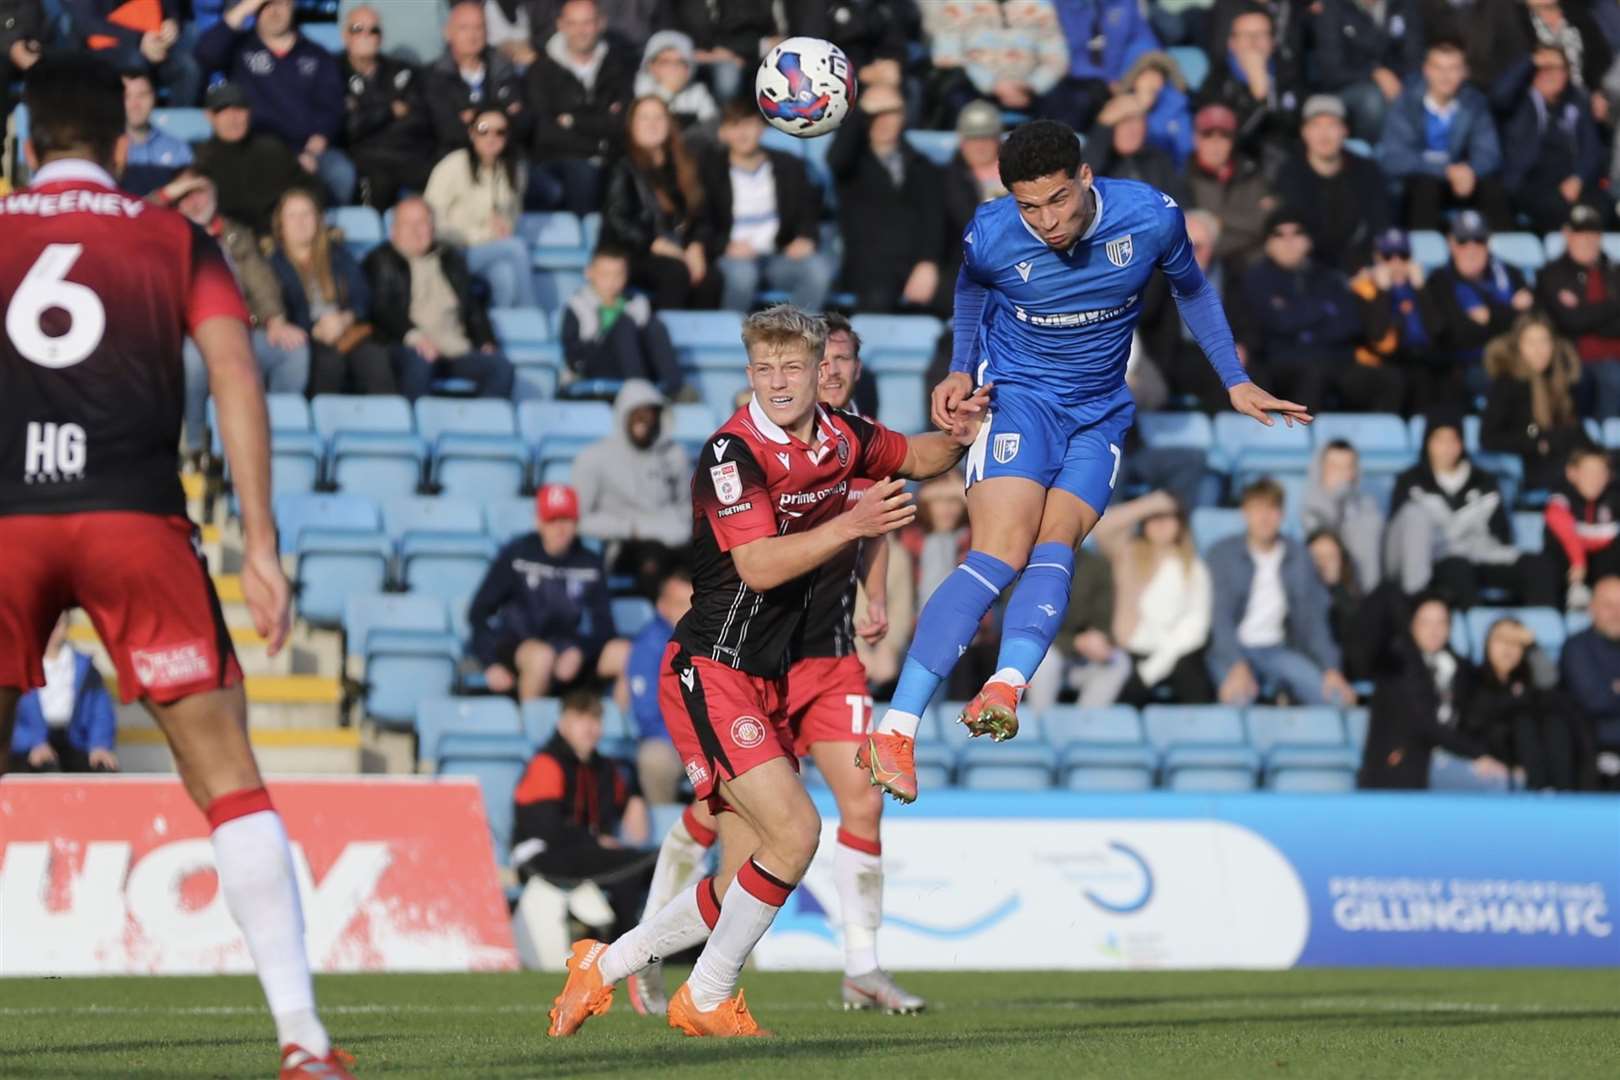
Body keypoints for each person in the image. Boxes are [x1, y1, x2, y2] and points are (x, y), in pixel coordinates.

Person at [0, 56, 347, 1079]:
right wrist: (265, 544)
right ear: (120, 145)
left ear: (26, 146)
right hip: (132, 516)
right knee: (227, 778)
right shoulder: (171, 235)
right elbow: (237, 375)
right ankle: (303, 1038)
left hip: (5, 518)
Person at [547, 305, 983, 1038]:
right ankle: (708, 993)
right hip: (712, 670)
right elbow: (755, 563)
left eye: (791, 368)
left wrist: (966, 435)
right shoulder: (732, 453)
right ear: (749, 374)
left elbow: (915, 455)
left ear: (822, 372)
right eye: (763, 369)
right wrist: (850, 523)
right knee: (797, 830)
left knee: (748, 866)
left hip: (771, 677)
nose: (777, 383)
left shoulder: (845, 438)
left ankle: (608, 965)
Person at [862, 118, 1306, 805]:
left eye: (1058, 200)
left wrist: (1232, 380)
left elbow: (1192, 289)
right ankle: (896, 727)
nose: (1045, 220)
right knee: (1001, 551)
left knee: (1058, 540)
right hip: (1020, 401)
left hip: (1100, 411)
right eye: (1029, 206)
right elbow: (972, 288)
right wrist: (957, 368)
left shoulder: (1151, 218)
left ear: (1086, 180)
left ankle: (1006, 687)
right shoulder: (992, 230)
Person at [154, 169, 310, 455]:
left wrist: (276, 320)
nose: (195, 202)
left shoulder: (236, 234)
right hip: (191, 336)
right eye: (186, 195)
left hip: (241, 331)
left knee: (293, 352)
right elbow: (130, 218)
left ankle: (273, 441)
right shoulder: (164, 231)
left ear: (214, 195)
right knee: (193, 359)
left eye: (200, 192)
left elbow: (260, 280)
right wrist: (169, 192)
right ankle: (194, 447)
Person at [511, 690, 653, 936]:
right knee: (632, 866)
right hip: (540, 854)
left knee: (643, 864)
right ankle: (626, 945)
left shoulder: (605, 768)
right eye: (580, 719)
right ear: (562, 724)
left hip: (587, 853)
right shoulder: (546, 764)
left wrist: (635, 798)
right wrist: (594, 841)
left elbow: (625, 802)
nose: (589, 727)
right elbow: (546, 828)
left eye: (595, 720)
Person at [470, 484, 629, 701]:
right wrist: (491, 663)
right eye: (552, 520)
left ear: (577, 523)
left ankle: (621, 730)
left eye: (566, 520)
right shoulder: (517, 555)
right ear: (538, 522)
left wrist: (580, 651)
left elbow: (605, 627)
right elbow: (478, 612)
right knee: (541, 657)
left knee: (627, 654)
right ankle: (532, 728)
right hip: (523, 649)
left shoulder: (590, 563)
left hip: (571, 652)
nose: (559, 529)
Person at [1205, 479, 1356, 707]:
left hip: (1278, 650)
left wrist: (1331, 669)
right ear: (1245, 513)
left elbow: (1313, 620)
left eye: (1272, 509)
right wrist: (1236, 664)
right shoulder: (1221, 555)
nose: (1264, 517)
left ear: (1282, 514)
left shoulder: (1298, 556)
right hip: (1232, 650)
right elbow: (1219, 618)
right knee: (1238, 700)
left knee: (1335, 699)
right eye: (1257, 509)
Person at [1239, 207, 1404, 413]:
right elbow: (1274, 323)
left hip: (1334, 359)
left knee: (1389, 380)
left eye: (1297, 233)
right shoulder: (1255, 279)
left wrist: (1295, 315)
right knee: (1312, 373)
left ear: (1309, 240)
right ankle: (1303, 440)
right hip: (1280, 363)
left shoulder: (1328, 277)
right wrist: (1323, 309)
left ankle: (1375, 443)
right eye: (1279, 234)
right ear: (1268, 243)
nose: (1289, 241)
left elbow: (1349, 325)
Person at [1385, 414, 1559, 608]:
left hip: (1481, 553)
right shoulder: (1410, 480)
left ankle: (1540, 628)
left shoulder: (1484, 480)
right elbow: (1402, 533)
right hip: (1437, 560)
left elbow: (1502, 533)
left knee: (1539, 566)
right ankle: (1474, 628)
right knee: (1457, 569)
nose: (1447, 447)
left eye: (1453, 439)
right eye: (1439, 440)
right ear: (1428, 443)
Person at [196, 0, 355, 206]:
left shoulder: (317, 55)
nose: (274, 10)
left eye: (281, 2)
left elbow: (331, 108)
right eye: (266, 4)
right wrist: (246, 7)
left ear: (293, 6)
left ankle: (324, 233)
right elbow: (205, 54)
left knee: (340, 171)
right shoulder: (239, 49)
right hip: (250, 149)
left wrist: (314, 151)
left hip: (304, 149)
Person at [363, 197, 516, 400]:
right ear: (394, 230)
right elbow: (380, 309)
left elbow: (472, 308)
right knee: (419, 362)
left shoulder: (451, 259)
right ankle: (418, 426)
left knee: (500, 367)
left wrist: (486, 341)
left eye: (423, 223)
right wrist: (415, 337)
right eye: (409, 224)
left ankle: (480, 424)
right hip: (407, 348)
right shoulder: (379, 260)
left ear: (433, 228)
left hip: (455, 350)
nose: (417, 231)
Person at [702, 99, 832, 315]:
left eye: (749, 125)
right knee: (743, 276)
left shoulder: (788, 165)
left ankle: (794, 338)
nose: (742, 133)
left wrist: (806, 237)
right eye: (735, 126)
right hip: (732, 256)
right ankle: (735, 342)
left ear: (762, 128)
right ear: (723, 133)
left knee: (818, 270)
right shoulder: (709, 170)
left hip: (778, 256)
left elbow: (809, 210)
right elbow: (701, 220)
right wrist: (724, 246)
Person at [828, 82, 947, 315]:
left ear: (902, 116)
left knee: (964, 298)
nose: (883, 120)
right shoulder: (851, 167)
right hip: (869, 267)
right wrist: (860, 108)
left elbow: (935, 219)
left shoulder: (923, 166)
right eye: (874, 114)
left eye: (890, 112)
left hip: (916, 262)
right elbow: (837, 159)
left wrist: (928, 263)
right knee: (877, 299)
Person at [1359, 594, 1501, 789]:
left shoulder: (1458, 668)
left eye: (1441, 623)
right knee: (1495, 783)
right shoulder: (1396, 665)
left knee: (1505, 777)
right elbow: (1426, 725)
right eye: (1425, 623)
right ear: (1411, 625)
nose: (1434, 631)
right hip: (1407, 764)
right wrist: (1477, 754)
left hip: (1449, 757)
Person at [268, 188, 397, 397]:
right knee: (328, 362)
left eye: (307, 214)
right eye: (292, 216)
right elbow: (278, 308)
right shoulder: (273, 264)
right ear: (281, 224)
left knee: (375, 357)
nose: (300, 222)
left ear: (318, 219)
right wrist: (314, 330)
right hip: (306, 337)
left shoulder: (338, 254)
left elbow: (362, 295)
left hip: (346, 330)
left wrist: (346, 318)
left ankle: (385, 425)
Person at [1091, 491, 1214, 706]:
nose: (1160, 524)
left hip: (1177, 652)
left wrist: (1159, 663)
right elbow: (1101, 529)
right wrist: (1148, 504)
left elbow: (1197, 623)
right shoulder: (1128, 554)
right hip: (1133, 651)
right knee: (1123, 701)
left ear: (1180, 524)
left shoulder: (1194, 568)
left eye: (1167, 517)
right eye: (1153, 517)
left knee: (1199, 694)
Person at [1377, 39, 1513, 231]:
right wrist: (1445, 170)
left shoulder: (1475, 104)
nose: (1445, 76)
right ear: (1426, 70)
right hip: (1420, 181)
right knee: (1426, 188)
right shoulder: (1406, 104)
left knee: (1493, 189)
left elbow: (1489, 152)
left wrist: (1470, 171)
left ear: (1464, 72)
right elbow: (1394, 158)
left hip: (1463, 180)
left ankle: (1505, 253)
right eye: (1438, 68)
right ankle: (1425, 253)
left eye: (1453, 68)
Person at [571, 379, 692, 589]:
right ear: (623, 414)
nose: (644, 418)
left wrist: (677, 526)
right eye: (637, 411)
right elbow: (578, 520)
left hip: (674, 538)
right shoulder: (594, 457)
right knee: (653, 560)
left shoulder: (675, 455)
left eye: (650, 411)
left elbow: (687, 506)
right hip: (624, 544)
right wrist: (632, 528)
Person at [601, 95, 718, 309]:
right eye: (644, 118)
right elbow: (618, 219)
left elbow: (702, 215)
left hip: (678, 249)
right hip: (634, 251)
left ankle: (700, 337)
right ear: (632, 125)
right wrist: (655, 244)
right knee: (674, 273)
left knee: (709, 278)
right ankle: (666, 335)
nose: (652, 125)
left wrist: (696, 246)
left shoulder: (686, 165)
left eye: (659, 118)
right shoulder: (621, 164)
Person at [526, 0, 637, 214]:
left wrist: (572, 120)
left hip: (615, 158)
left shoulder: (622, 66)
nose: (581, 31)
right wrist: (599, 141)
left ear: (601, 23)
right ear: (561, 25)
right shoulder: (540, 72)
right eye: (573, 23)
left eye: (587, 23)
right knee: (583, 172)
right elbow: (546, 133)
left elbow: (624, 122)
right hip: (560, 161)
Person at [424, 108, 538, 309]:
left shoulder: (515, 170)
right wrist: (480, 235)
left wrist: (505, 227)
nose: (491, 137)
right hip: (454, 250)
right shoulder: (453, 165)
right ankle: (531, 314)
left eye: (500, 131)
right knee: (517, 247)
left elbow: (514, 214)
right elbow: (431, 220)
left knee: (506, 277)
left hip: (491, 249)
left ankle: (503, 333)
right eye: (483, 129)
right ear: (472, 133)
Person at [1420, 209, 1535, 401]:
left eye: (1479, 240)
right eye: (1463, 241)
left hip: (1513, 359)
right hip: (1463, 367)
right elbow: (1457, 334)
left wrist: (1489, 317)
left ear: (1488, 242)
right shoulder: (1439, 281)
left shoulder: (1510, 273)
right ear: (1451, 244)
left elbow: (1529, 322)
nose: (1471, 248)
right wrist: (1510, 311)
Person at [1272, 94, 1391, 274]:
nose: (1324, 134)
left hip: (1360, 266)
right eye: (1316, 125)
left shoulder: (1367, 171)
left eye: (1332, 125)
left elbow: (1379, 223)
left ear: (1345, 131)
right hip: (1308, 268)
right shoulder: (1289, 174)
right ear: (1304, 132)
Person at [1480, 312, 1590, 493]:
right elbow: (1489, 438)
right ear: (1518, 346)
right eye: (1530, 343)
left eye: (1544, 342)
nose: (1539, 350)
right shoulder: (1505, 384)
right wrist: (1537, 442)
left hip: (1567, 458)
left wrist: (1596, 456)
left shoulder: (1559, 379)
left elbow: (1573, 429)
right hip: (1532, 467)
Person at [340, 5, 437, 209]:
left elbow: (420, 120)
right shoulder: (332, 70)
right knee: (376, 178)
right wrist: (389, 110)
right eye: (358, 28)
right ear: (345, 36)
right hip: (363, 160)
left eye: (373, 30)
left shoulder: (403, 72)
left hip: (405, 154)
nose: (366, 35)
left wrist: (366, 114)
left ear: (381, 37)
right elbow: (346, 127)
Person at [1470, 617, 1581, 790]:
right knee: (1523, 723)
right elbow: (1474, 725)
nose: (1507, 647)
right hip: (1492, 754)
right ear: (1487, 644)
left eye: (1515, 642)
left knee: (1555, 722)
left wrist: (1533, 645)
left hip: (1536, 762)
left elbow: (1551, 685)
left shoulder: (1528, 683)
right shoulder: (1472, 678)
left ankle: (1561, 798)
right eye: (1501, 639)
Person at [1500, 47, 1602, 235]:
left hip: (1569, 180)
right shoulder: (1519, 99)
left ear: (1566, 73)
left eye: (1556, 69)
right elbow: (1499, 96)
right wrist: (1530, 62)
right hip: (1528, 181)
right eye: (1544, 67)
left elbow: (1592, 148)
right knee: (1559, 210)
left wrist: (1578, 178)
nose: (1550, 75)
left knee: (1604, 208)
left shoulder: (1577, 100)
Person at [1535, 203, 1620, 419]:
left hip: (1614, 354)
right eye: (1581, 233)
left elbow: (1581, 318)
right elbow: (1570, 321)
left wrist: (1586, 314)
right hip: (1573, 357)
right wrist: (1612, 306)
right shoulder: (1552, 273)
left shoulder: (1614, 271)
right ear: (1567, 235)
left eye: (1593, 234)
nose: (1587, 240)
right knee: (1609, 376)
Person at [1196, 5, 1302, 177]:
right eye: (1246, 35)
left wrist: (1270, 96)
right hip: (1237, 174)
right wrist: (1258, 99)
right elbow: (1224, 141)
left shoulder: (1288, 75)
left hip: (1284, 169)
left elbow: (1294, 130)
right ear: (1232, 43)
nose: (1253, 42)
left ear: (1272, 42)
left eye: (1260, 34)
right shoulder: (1216, 81)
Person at [191, 82, 309, 237]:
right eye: (223, 111)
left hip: (276, 240)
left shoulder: (273, 151)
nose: (232, 118)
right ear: (209, 116)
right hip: (222, 242)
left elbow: (310, 189)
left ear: (250, 112)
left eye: (239, 109)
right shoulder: (199, 159)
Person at [561, 245, 682, 394]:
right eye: (605, 275)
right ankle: (638, 392)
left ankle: (674, 389)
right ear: (589, 273)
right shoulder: (577, 305)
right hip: (594, 364)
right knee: (624, 324)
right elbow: (573, 354)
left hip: (635, 363)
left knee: (655, 326)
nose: (612, 281)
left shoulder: (637, 303)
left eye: (618, 275)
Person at [10, 614, 117, 773]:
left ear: (67, 626)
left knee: (105, 770)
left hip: (74, 740)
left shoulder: (85, 667)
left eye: (57, 624)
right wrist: (33, 743)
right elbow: (9, 714)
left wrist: (99, 745)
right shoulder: (19, 665)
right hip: (30, 746)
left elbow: (100, 711)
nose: (51, 630)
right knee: (44, 771)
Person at [425, 0, 529, 160]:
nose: (472, 35)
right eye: (464, 28)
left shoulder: (504, 70)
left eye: (479, 28)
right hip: (455, 161)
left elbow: (523, 121)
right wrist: (499, 117)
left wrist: (473, 118)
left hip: (507, 159)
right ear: (448, 32)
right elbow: (446, 130)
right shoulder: (434, 77)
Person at [1349, 227, 1436, 412]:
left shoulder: (1419, 288)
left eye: (1403, 256)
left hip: (1415, 363)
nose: (1396, 263)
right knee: (1393, 379)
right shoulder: (1363, 289)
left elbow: (1436, 333)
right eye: (1388, 256)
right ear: (1377, 258)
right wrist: (1383, 293)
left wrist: (1422, 292)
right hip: (1375, 366)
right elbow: (1377, 337)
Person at [625, 568, 692, 804]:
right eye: (681, 603)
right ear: (663, 606)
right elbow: (648, 713)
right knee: (655, 760)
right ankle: (668, 832)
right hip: (670, 739)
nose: (690, 611)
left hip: (711, 736)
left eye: (694, 603)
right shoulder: (650, 645)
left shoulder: (711, 638)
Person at [1311, 0, 1422, 142]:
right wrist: (1374, 73)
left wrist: (1395, 79)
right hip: (1347, 88)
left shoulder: (1403, 5)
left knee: (1421, 90)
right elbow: (1331, 70)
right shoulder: (1334, 7)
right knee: (1373, 101)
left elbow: (1414, 57)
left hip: (1399, 81)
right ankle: (1371, 155)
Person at [1185, 102, 1274, 272]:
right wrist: (1246, 227)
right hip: (1207, 267)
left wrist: (1218, 219)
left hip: (1252, 265)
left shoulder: (1250, 173)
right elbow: (1198, 240)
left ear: (1232, 141)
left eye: (1224, 135)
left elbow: (1263, 224)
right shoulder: (1185, 178)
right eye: (1208, 134)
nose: (1216, 143)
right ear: (1195, 139)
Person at [64, 0, 199, 107]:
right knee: (135, 61)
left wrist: (172, 22)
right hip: (106, 50)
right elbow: (87, 23)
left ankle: (172, 131)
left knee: (188, 69)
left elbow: (171, 9)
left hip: (153, 43)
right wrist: (139, 39)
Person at [1302, 439, 1383, 592]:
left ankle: (1370, 597)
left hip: (1362, 579)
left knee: (1368, 524)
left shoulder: (1365, 501)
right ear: (1322, 469)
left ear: (1354, 472)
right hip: (1324, 583)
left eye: (1347, 467)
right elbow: (1322, 538)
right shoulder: (1311, 500)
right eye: (1335, 467)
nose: (1341, 474)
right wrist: (1337, 499)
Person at [1545, 446, 1620, 611]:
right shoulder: (1560, 499)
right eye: (1589, 472)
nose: (1595, 479)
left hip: (1605, 570)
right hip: (1569, 571)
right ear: (1572, 473)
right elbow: (1566, 533)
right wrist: (1579, 562)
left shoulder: (1613, 499)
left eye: (1601, 473)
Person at [1562, 574, 1620, 776]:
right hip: (1595, 746)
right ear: (1591, 609)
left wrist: (1613, 688)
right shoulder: (1577, 647)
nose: (1617, 613)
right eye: (1608, 606)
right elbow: (1594, 700)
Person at [1087, 95, 1185, 204]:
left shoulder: (1158, 161)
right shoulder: (1100, 161)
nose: (1133, 129)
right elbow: (1085, 180)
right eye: (1125, 121)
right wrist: (1102, 127)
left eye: (1139, 121)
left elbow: (1180, 203)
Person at [121, 70, 192, 196]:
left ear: (154, 98)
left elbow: (188, 193)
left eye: (142, 95)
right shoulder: (106, 148)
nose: (135, 104)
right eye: (127, 96)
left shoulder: (177, 148)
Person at [633, 29, 717, 132]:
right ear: (651, 66)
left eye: (680, 62)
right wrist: (669, 90)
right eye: (665, 61)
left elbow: (711, 128)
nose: (673, 67)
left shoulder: (698, 92)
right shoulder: (640, 89)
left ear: (689, 69)